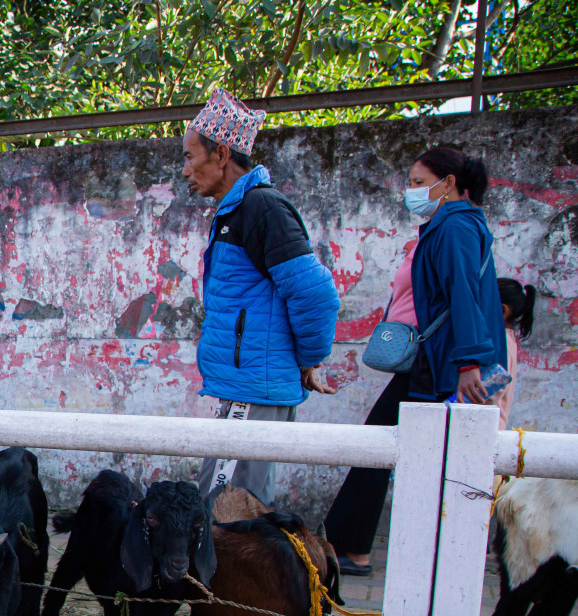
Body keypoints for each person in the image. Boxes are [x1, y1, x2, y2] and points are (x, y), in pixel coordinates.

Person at [325, 147, 507, 576]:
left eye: (420, 182)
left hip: (442, 364)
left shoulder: (456, 228)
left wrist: (467, 364)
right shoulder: (442, 226)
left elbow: (464, 294)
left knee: (382, 447)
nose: (412, 191)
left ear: (448, 184)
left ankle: (350, 547)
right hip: (432, 361)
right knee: (387, 448)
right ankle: (353, 547)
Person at [182, 88, 340, 507]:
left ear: (220, 155)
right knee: (239, 507)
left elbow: (316, 293)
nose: (185, 170)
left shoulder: (261, 208)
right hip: (247, 385)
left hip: (253, 389)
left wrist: (309, 358)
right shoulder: (238, 211)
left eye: (189, 156)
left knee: (225, 512)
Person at [495, 277, 535, 430]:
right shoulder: (507, 339)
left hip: (485, 427)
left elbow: (492, 390)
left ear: (504, 311)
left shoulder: (501, 342)